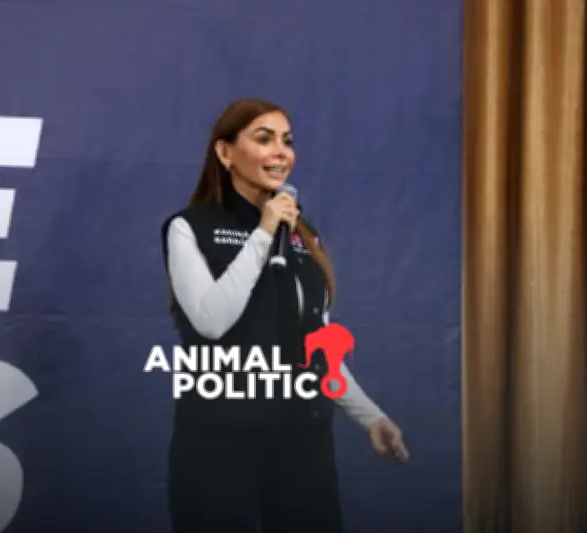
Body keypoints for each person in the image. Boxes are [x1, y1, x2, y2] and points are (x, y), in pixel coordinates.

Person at [160, 98, 410, 533]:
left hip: (302, 439)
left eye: (287, 141)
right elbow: (211, 322)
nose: (281, 152)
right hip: (219, 441)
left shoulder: (302, 236)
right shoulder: (189, 227)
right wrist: (262, 234)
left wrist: (370, 416)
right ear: (225, 152)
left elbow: (318, 348)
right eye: (264, 139)